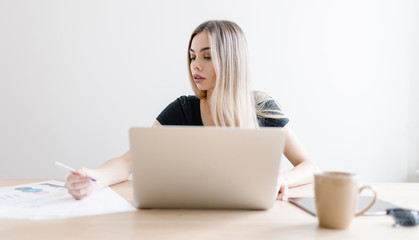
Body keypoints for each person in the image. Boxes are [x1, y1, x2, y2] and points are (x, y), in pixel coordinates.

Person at [65, 20, 319, 201]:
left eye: (207, 57)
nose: (195, 66)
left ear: (230, 60)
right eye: (192, 56)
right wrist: (93, 177)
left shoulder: (261, 108)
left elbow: (309, 166)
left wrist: (282, 179)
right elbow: (127, 161)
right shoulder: (182, 109)